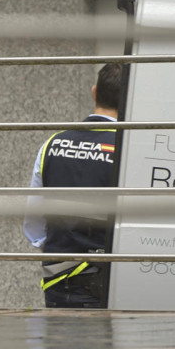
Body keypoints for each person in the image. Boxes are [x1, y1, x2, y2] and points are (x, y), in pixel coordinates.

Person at [24, 63, 124, 308]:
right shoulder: (127, 150)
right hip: (109, 283)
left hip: (57, 283)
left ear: (94, 92)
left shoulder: (53, 143)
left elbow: (33, 225)